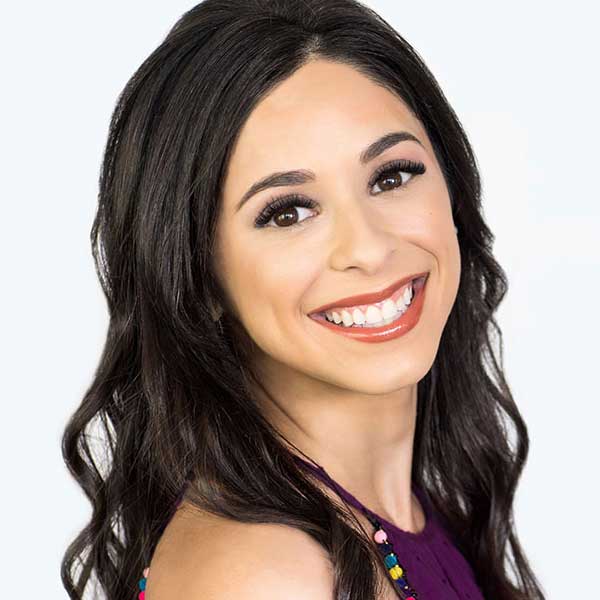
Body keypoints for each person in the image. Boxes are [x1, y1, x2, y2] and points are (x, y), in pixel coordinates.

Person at [61, 1, 546, 599]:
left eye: (391, 176)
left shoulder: (409, 513)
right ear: (199, 277)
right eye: (288, 212)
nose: (368, 247)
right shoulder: (265, 575)